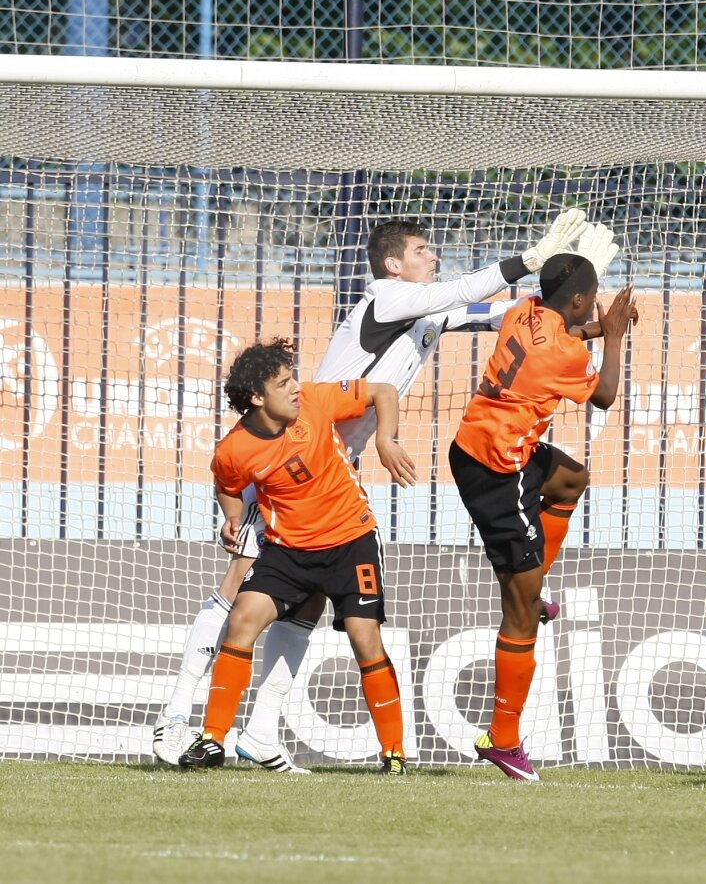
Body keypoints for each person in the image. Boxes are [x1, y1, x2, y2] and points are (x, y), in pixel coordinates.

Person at [153, 209, 590, 770]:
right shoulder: (384, 298)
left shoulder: (426, 312)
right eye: (422, 250)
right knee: (237, 591)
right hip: (287, 463)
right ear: (393, 265)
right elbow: (462, 290)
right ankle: (176, 719)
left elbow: (494, 315)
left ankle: (259, 733)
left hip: (333, 475)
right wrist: (527, 260)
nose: (433, 255)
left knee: (304, 607)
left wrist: (565, 301)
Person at [177, 338, 412, 773]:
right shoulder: (234, 449)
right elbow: (228, 487)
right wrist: (232, 519)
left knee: (365, 639)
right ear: (256, 398)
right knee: (243, 619)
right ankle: (212, 740)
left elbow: (383, 391)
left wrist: (385, 439)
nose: (295, 389)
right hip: (289, 551)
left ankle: (394, 753)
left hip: (350, 540)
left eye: (293, 379)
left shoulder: (316, 402)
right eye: (283, 383)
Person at [449, 231, 635, 782]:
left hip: (488, 444)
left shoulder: (529, 312)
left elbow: (574, 330)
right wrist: (618, 338)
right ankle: (502, 739)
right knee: (521, 613)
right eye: (591, 298)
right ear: (576, 300)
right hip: (497, 473)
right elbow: (603, 394)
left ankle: (536, 581)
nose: (591, 308)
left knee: (571, 479)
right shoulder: (563, 351)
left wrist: (600, 326)